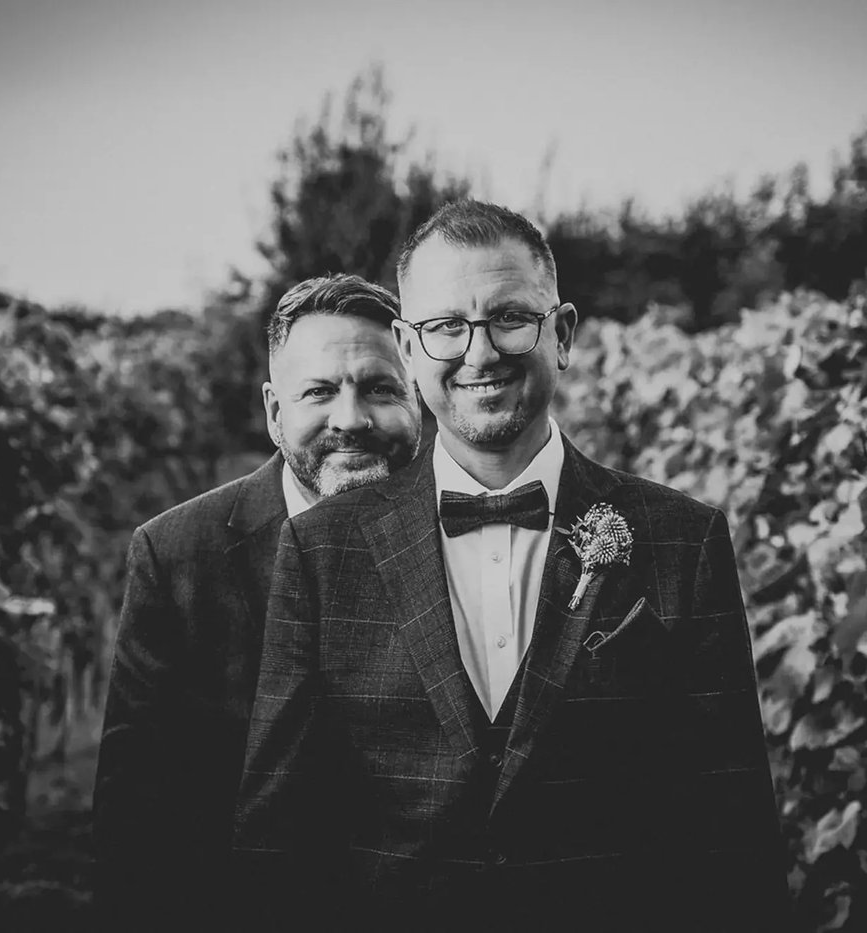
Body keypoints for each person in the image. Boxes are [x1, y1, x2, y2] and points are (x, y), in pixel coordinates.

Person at [234, 199, 789, 931]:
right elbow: (280, 833)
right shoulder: (321, 549)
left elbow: (731, 830)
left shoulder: (682, 539)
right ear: (407, 347)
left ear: (560, 333)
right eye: (445, 327)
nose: (479, 351)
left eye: (508, 317)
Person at [91, 274, 422, 929]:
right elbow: (139, 819)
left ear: (418, 398)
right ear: (275, 412)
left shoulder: (472, 534)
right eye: (320, 391)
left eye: (381, 388)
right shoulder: (177, 554)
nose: (351, 419)